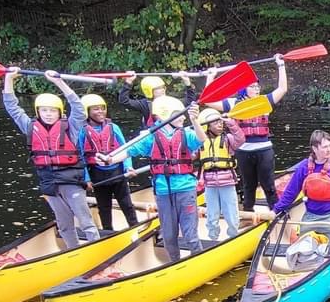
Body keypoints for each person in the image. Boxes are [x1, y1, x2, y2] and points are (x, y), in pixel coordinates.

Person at [99, 96, 206, 262]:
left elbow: (201, 139)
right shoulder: (150, 137)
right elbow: (129, 152)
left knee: (190, 234)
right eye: (178, 114)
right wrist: (110, 160)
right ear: (164, 116)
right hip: (163, 191)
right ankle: (175, 263)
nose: (183, 118)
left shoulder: (187, 133)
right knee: (169, 236)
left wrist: (195, 120)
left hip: (186, 189)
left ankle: (198, 261)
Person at [3, 69, 99, 248]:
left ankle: (95, 248)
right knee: (64, 225)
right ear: (38, 112)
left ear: (59, 112)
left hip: (71, 182)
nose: (48, 114)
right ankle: (73, 251)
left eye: (52, 111)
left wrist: (59, 82)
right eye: (44, 110)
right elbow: (12, 108)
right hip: (49, 183)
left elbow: (78, 108)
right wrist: (9, 79)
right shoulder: (30, 127)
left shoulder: (71, 127)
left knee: (85, 221)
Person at [204, 57, 287, 213]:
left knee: (268, 185)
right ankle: (248, 212)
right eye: (252, 86)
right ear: (244, 89)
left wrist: (281, 65)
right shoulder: (233, 104)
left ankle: (276, 211)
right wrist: (211, 76)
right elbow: (208, 100)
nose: (256, 89)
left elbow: (282, 89)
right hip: (244, 150)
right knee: (248, 186)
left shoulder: (264, 101)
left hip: (264, 150)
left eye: (257, 86)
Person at [78, 94, 140, 231]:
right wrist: (86, 179)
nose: (100, 112)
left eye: (102, 108)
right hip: (97, 175)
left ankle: (135, 227)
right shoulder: (82, 132)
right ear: (87, 112)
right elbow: (81, 157)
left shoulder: (113, 127)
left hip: (117, 173)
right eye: (96, 109)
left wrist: (128, 167)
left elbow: (126, 149)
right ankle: (108, 232)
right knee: (104, 207)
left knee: (126, 204)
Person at [196, 107, 245, 240]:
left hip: (227, 182)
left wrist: (231, 123)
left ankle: (233, 236)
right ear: (206, 126)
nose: (220, 124)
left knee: (231, 213)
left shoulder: (228, 138)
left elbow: (240, 139)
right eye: (215, 122)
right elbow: (191, 153)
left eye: (220, 122)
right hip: (209, 184)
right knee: (212, 214)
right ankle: (213, 237)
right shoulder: (200, 141)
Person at [119, 72, 197, 129]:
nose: (162, 90)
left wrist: (187, 83)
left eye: (163, 87)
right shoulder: (144, 104)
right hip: (154, 137)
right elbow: (124, 101)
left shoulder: (171, 101)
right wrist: (128, 82)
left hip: (172, 135)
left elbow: (190, 101)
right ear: (149, 91)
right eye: (158, 88)